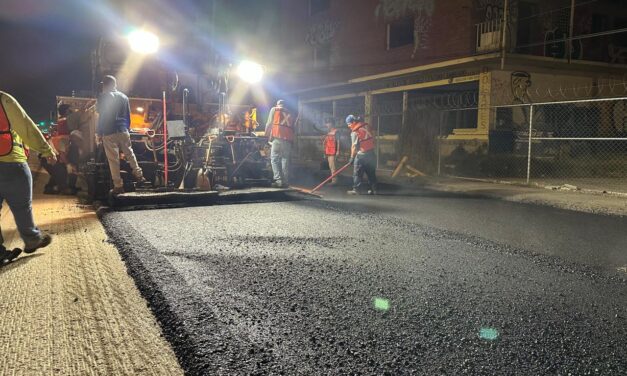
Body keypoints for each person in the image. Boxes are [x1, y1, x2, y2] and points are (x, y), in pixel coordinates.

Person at [0, 91, 56, 262]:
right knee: (22, 205)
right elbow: (25, 126)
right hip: (10, 161)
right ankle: (32, 239)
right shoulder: (4, 99)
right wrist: (46, 149)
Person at [96, 75, 145, 195]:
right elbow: (128, 116)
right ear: (115, 84)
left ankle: (118, 186)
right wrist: (126, 128)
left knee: (113, 159)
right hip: (123, 129)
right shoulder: (124, 97)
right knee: (129, 153)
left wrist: (99, 132)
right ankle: (140, 176)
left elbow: (101, 115)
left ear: (105, 85)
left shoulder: (103, 96)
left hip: (109, 131)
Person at [346, 115, 377, 195]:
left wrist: (352, 157)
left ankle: (356, 190)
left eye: (349, 124)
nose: (348, 126)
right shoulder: (367, 126)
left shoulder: (355, 132)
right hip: (371, 154)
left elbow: (354, 146)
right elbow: (373, 137)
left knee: (357, 173)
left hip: (361, 155)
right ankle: (373, 189)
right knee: (371, 173)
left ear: (354, 122)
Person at [265, 99, 294, 188]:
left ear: (278, 104)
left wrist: (266, 134)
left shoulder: (275, 109)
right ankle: (285, 181)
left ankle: (278, 180)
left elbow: (269, 123)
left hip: (277, 138)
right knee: (285, 160)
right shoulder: (290, 113)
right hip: (288, 140)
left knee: (274, 159)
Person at [321, 118, 340, 185]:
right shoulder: (328, 132)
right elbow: (326, 142)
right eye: (326, 123)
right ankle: (333, 179)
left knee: (333, 167)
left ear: (331, 123)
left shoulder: (336, 132)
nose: (327, 125)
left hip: (333, 152)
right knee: (331, 166)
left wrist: (338, 151)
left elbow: (338, 141)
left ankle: (334, 181)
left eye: (328, 123)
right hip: (328, 151)